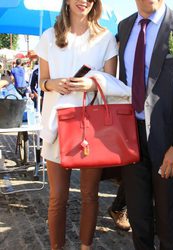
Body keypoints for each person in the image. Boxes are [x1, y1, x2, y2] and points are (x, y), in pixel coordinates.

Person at [117, 1, 173, 249]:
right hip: (130, 138)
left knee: (168, 222)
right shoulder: (124, 26)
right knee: (139, 218)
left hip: (169, 141)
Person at [35, 0, 120, 249]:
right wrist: (54, 83)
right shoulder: (50, 36)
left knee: (89, 195)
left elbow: (111, 81)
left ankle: (85, 247)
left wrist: (92, 84)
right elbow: (42, 81)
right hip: (56, 123)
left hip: (90, 127)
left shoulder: (105, 37)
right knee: (57, 197)